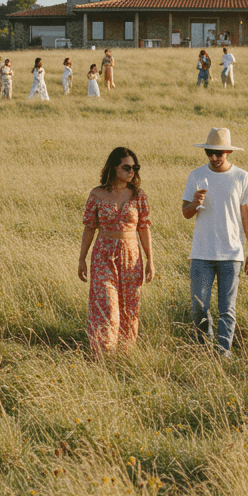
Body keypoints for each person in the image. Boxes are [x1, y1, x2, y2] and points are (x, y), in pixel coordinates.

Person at [181, 127, 248, 357]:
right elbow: (185, 212)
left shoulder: (242, 177)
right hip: (202, 253)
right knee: (198, 307)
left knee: (227, 309)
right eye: (209, 153)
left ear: (228, 152)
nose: (214, 158)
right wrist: (194, 203)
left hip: (231, 253)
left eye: (219, 153)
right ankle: (204, 349)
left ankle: (223, 354)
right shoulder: (196, 175)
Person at [78, 147, 155, 355]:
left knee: (129, 309)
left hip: (131, 257)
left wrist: (150, 261)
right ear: (114, 168)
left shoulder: (138, 196)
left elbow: (144, 229)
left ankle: (124, 356)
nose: (132, 172)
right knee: (107, 307)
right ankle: (103, 354)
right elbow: (89, 227)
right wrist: (82, 259)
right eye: (127, 167)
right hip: (103, 254)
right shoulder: (97, 194)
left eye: (135, 168)